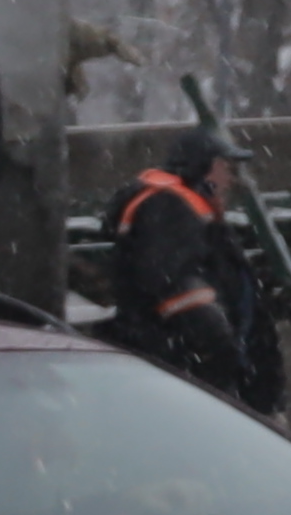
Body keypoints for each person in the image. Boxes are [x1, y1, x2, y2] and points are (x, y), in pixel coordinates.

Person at [102, 120, 280, 416]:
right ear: (203, 167)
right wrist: (219, 348)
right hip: (189, 371)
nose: (230, 179)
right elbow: (175, 284)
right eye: (225, 167)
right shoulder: (168, 206)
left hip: (198, 369)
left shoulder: (187, 208)